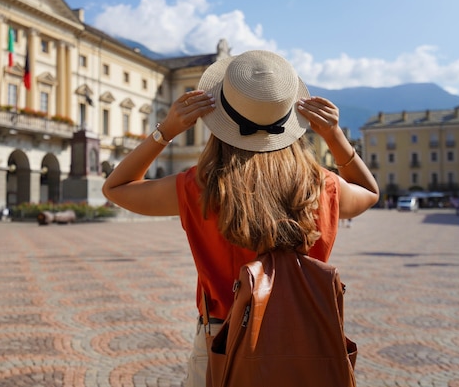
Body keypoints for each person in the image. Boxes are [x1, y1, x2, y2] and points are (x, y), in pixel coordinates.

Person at [102, 50, 379, 386]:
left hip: (222, 338)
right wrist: (334, 135)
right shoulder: (322, 185)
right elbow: (369, 191)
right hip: (308, 337)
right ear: (291, 118)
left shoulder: (200, 186)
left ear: (219, 118)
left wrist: (167, 130)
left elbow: (116, 187)